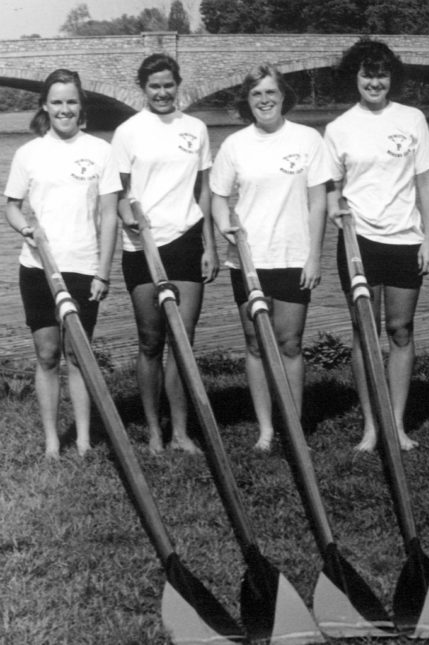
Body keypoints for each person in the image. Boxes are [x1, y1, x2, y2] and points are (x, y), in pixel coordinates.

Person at [325, 38, 429, 452]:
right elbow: (331, 188)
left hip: (407, 239)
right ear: (354, 77)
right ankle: (371, 427)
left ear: (393, 78)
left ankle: (397, 424)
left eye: (382, 74)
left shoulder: (413, 119)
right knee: (364, 332)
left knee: (401, 330)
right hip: (359, 241)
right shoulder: (338, 128)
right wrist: (336, 207)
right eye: (367, 74)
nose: (375, 82)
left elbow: (426, 181)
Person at [210, 64, 329, 451]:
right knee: (256, 344)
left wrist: (314, 256)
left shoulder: (309, 139)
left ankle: (293, 426)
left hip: (294, 256)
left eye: (270, 93)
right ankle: (265, 429)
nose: (264, 100)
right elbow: (217, 197)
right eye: (257, 94)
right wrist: (224, 224)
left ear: (283, 97)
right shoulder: (234, 145)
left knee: (290, 343)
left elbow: (317, 202)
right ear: (248, 100)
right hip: (248, 259)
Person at [4, 69, 120, 459]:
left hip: (84, 267)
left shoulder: (101, 152)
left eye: (71, 101)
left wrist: (104, 271)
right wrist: (26, 230)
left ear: (81, 105)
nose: (64, 109)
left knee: (79, 356)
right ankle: (53, 441)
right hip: (38, 268)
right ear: (45, 106)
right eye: (57, 102)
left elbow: (109, 218)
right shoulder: (29, 153)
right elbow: (12, 207)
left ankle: (85, 439)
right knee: (47, 355)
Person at [113, 53, 218, 455]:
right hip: (142, 245)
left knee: (183, 340)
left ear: (178, 84)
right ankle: (154, 431)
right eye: (154, 86)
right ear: (144, 88)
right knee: (150, 340)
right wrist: (128, 218)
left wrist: (209, 244)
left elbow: (203, 192)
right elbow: (119, 195)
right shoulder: (127, 132)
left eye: (168, 85)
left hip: (186, 238)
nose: (162, 92)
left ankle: (180, 432)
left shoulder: (196, 128)